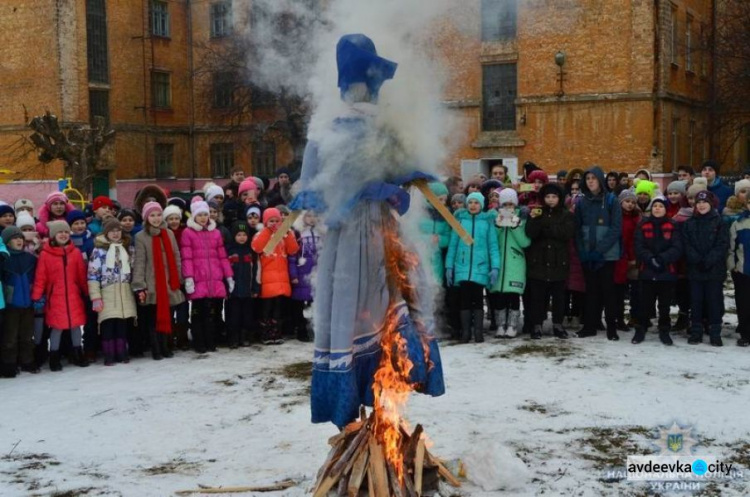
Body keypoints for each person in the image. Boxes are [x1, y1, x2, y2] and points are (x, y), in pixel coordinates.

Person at [290, 34, 445, 428]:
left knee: (397, 297)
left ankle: (388, 394)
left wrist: (405, 178)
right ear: (350, 85)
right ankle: (351, 409)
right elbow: (323, 187)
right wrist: (364, 189)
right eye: (367, 83)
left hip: (383, 232)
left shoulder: (384, 129)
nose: (373, 92)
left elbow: (397, 165)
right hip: (350, 240)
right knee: (355, 308)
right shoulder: (329, 131)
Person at [32, 220, 89, 371]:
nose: (63, 235)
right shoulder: (45, 254)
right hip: (55, 298)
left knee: (76, 326)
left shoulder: (75, 252)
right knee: (57, 328)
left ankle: (78, 352)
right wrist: (36, 296)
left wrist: (87, 292)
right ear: (53, 236)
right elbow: (41, 277)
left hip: (73, 296)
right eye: (59, 232)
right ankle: (54, 357)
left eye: (65, 232)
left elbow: (81, 275)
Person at [132, 200, 185, 360]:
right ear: (146, 218)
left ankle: (165, 345)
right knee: (153, 319)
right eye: (152, 215)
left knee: (168, 315)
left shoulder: (168, 233)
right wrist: (140, 284)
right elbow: (140, 262)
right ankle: (156, 348)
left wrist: (179, 278)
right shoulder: (141, 236)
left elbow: (176, 256)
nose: (156, 218)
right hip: (152, 283)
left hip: (169, 282)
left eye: (158, 215)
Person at [445, 192, 501, 343]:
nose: (473, 205)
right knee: (464, 300)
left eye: (476, 203)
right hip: (462, 267)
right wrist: (449, 267)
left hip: (480, 268)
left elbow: (493, 247)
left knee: (477, 300)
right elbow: (453, 246)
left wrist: (495, 267)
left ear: (481, 205)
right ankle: (466, 332)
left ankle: (478, 331)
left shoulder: (487, 223)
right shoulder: (461, 221)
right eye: (470, 202)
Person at [574, 166, 622, 340]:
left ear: (600, 180)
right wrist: (583, 251)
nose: (591, 181)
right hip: (588, 254)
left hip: (607, 256)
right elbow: (577, 229)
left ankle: (611, 328)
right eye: (588, 179)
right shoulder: (581, 202)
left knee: (608, 292)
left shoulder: (611, 200)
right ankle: (589, 326)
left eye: (594, 178)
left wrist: (600, 251)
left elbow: (616, 228)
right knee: (591, 292)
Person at [180, 197, 234, 353]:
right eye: (200, 215)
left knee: (211, 313)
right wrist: (189, 278)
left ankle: (211, 341)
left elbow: (222, 257)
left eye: (205, 215)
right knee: (198, 313)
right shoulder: (188, 233)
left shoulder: (216, 233)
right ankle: (199, 342)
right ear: (194, 216)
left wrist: (228, 276)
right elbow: (187, 258)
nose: (203, 218)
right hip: (198, 280)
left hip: (214, 280)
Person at [525, 183, 575, 339]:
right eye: (547, 197)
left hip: (558, 261)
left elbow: (566, 233)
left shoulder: (566, 215)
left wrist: (546, 229)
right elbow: (531, 233)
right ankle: (537, 324)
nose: (551, 200)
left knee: (559, 297)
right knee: (538, 296)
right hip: (538, 260)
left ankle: (557, 324)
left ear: (559, 198)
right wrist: (535, 221)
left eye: (554, 197)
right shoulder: (537, 213)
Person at [632, 196, 683, 345]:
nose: (657, 209)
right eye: (655, 206)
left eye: (661, 206)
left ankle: (664, 328)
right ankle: (641, 328)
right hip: (647, 269)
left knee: (664, 304)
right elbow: (639, 245)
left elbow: (677, 246)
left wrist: (662, 259)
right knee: (644, 302)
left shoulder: (672, 225)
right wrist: (650, 258)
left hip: (666, 270)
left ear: (665, 209)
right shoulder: (643, 224)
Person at [87, 218, 137, 365]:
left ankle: (122, 353)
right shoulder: (99, 251)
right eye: (112, 231)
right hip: (107, 293)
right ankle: (109, 354)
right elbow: (93, 275)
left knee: (122, 325)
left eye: (118, 231)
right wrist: (95, 297)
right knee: (108, 325)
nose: (115, 234)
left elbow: (133, 269)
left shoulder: (127, 248)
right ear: (106, 233)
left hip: (124, 292)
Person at [683, 191, 729, 346]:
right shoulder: (690, 223)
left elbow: (722, 244)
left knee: (714, 301)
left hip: (714, 269)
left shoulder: (719, 222)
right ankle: (696, 330)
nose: (701, 205)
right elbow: (686, 243)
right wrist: (696, 259)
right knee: (696, 301)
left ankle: (715, 331)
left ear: (711, 204)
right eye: (699, 202)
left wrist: (709, 260)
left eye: (705, 202)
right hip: (695, 269)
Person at [251, 208, 299, 344]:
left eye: (277, 221)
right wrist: (267, 231)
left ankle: (276, 333)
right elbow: (257, 248)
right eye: (271, 221)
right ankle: (265, 334)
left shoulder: (284, 236)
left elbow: (293, 249)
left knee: (278, 308)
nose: (274, 223)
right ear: (265, 222)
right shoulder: (260, 234)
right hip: (267, 279)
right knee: (266, 308)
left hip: (281, 279)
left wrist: (287, 232)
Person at [490, 188, 530, 338]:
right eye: (505, 204)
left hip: (515, 263)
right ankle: (500, 325)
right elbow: (492, 239)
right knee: (499, 295)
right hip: (499, 262)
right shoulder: (495, 217)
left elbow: (525, 242)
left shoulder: (522, 219)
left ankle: (512, 325)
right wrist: (499, 226)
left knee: (513, 295)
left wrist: (515, 226)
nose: (508, 208)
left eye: (511, 204)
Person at [1, 227, 37, 377]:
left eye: (20, 238)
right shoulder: (4, 259)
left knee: (27, 336)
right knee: (10, 337)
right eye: (14, 238)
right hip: (11, 305)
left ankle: (27, 361)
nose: (18, 240)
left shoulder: (30, 258)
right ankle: (9, 364)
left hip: (28, 304)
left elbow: (36, 279)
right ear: (7, 242)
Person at [288, 211, 323, 342]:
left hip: (317, 272)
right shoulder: (298, 233)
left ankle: (314, 330)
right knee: (300, 304)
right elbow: (292, 256)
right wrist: (293, 274)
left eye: (314, 215)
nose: (312, 219)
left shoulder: (321, 233)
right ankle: (301, 330)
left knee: (315, 304)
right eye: (309, 216)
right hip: (301, 273)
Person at [225, 220, 260, 347]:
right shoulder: (229, 251)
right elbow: (225, 270)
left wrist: (255, 288)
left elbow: (256, 270)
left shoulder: (250, 251)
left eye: (244, 235)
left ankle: (245, 336)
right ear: (234, 236)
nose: (242, 237)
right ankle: (233, 338)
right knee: (234, 317)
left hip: (248, 291)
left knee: (247, 316)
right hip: (233, 292)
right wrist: (226, 288)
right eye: (239, 235)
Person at [614, 190, 641, 331]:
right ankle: (617, 318)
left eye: (632, 202)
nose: (630, 205)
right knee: (618, 292)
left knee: (636, 290)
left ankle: (635, 317)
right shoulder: (616, 217)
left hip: (634, 258)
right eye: (627, 201)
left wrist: (634, 258)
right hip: (619, 258)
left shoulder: (637, 218)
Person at [728, 197, 750, 347]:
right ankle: (745, 333)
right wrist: (732, 266)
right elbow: (731, 247)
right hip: (743, 270)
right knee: (744, 303)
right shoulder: (739, 223)